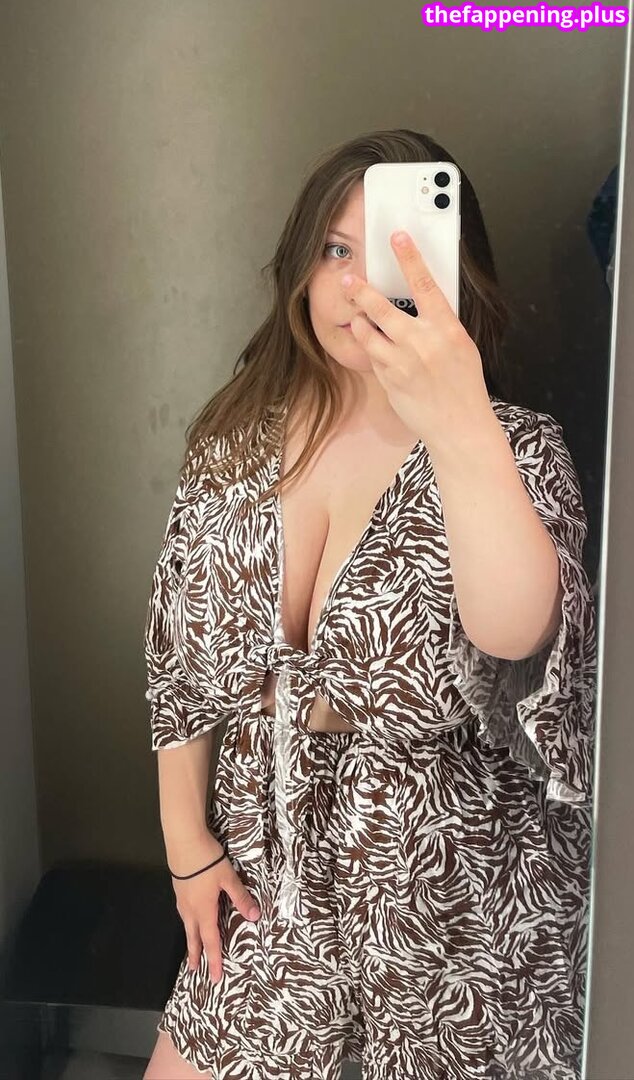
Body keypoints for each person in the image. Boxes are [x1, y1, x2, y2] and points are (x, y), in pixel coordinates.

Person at [142, 129, 596, 1080]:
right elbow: (175, 659)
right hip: (270, 894)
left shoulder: (514, 448)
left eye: (394, 249)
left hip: (458, 916)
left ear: (452, 272)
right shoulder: (232, 440)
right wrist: (187, 844)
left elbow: (519, 637)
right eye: (334, 249)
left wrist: (458, 418)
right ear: (300, 267)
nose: (356, 284)